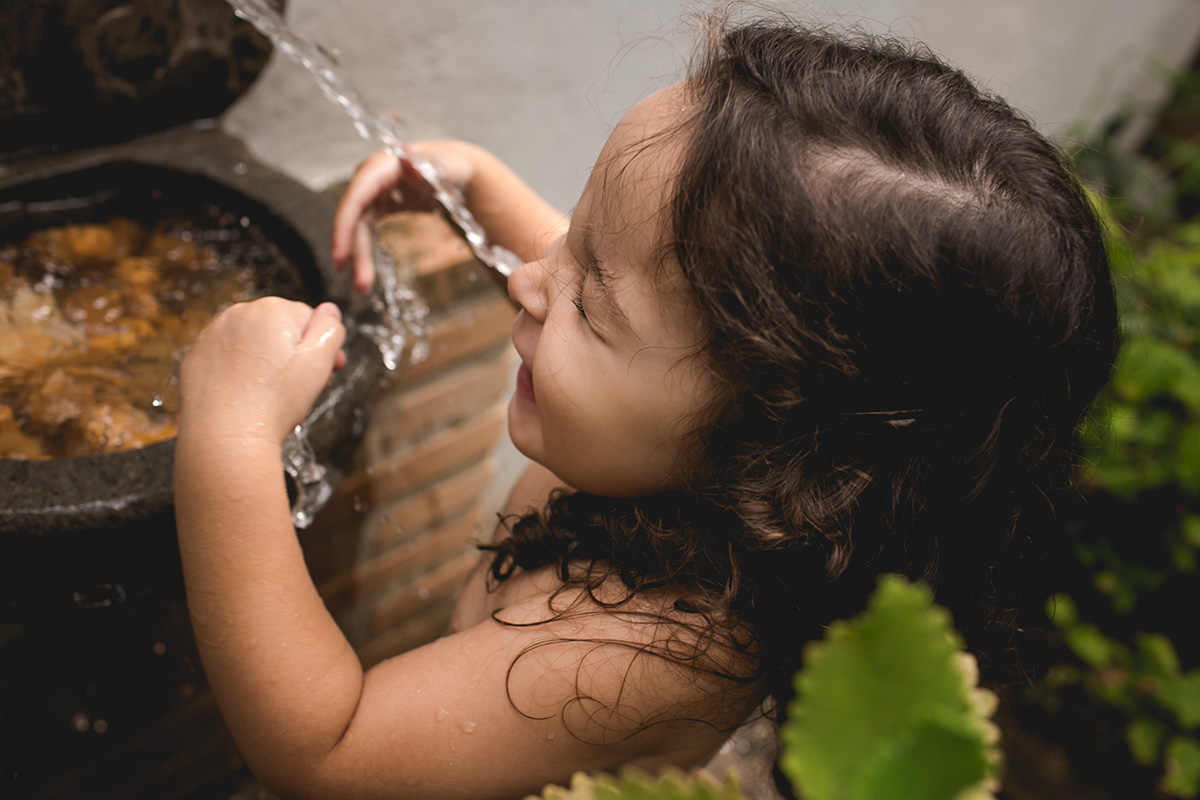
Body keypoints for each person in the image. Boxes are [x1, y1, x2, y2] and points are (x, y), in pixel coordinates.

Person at [173, 11, 1118, 800]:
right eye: (576, 234)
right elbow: (633, 314)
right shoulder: (694, 432)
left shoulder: (636, 653)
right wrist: (479, 188)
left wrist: (229, 440)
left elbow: (327, 751)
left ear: (773, 456)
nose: (530, 281)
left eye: (587, 295)